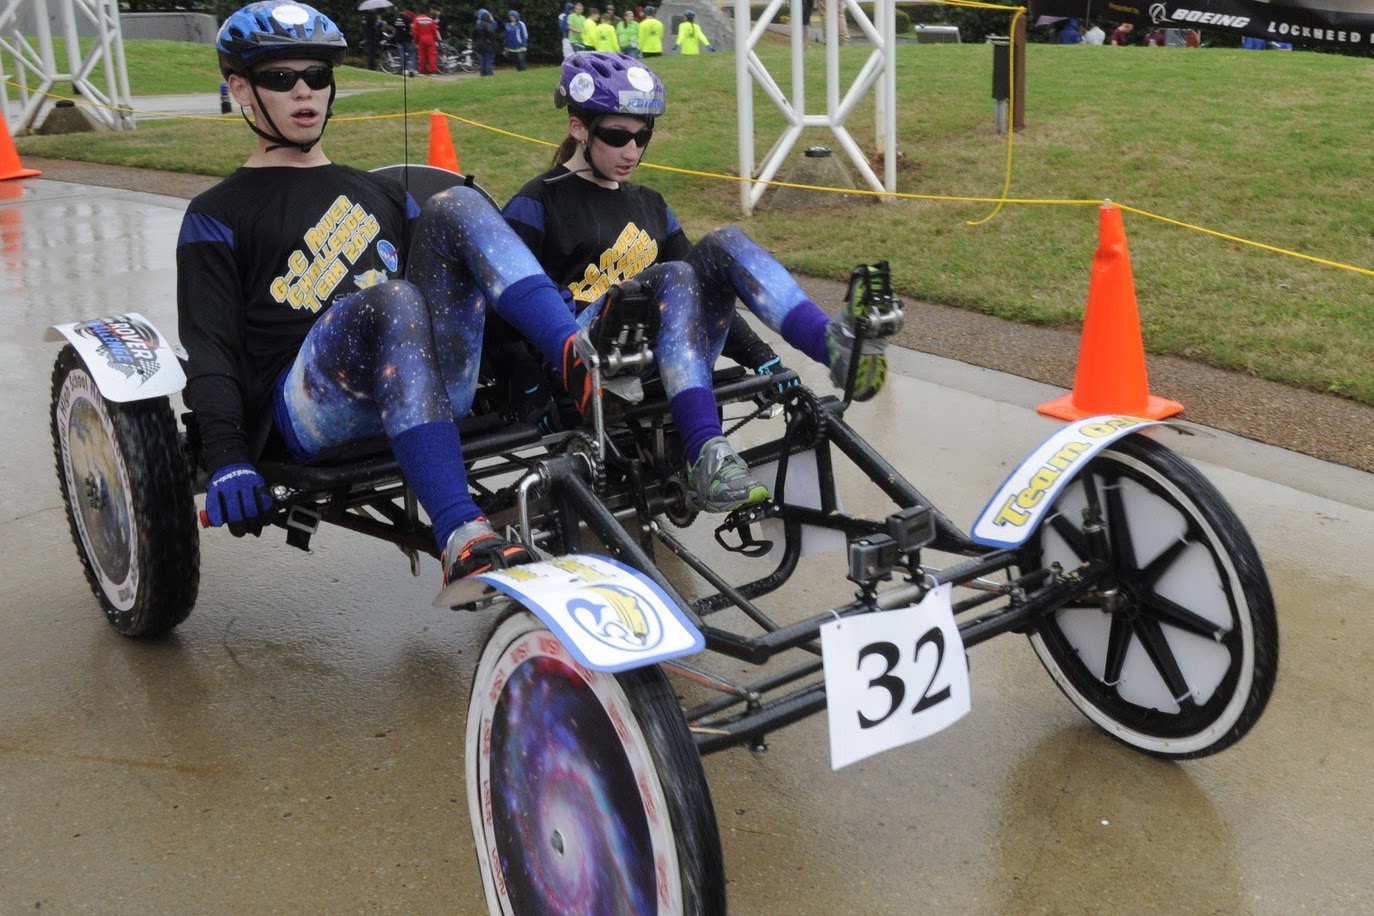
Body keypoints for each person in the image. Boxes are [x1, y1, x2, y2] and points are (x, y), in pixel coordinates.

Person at [180, 1, 600, 585]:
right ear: (241, 88)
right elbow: (210, 347)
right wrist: (226, 457)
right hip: (312, 407)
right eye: (281, 79)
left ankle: (573, 353)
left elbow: (461, 294)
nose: (305, 92)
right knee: (394, 299)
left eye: (318, 77)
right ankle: (460, 532)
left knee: (459, 203)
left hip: (424, 386)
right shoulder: (215, 214)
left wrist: (527, 380)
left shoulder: (379, 193)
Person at [502, 54, 888, 510]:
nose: (632, 151)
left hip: (666, 352)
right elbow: (505, 309)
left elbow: (708, 288)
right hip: (589, 364)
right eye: (617, 136)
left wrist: (764, 360)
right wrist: (530, 389)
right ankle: (704, 451)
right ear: (578, 127)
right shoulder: (537, 202)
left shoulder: (649, 202)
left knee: (724, 242)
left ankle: (836, 348)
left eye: (643, 136)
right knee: (675, 275)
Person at [412, 5, 440, 73]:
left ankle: (422, 70)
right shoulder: (430, 20)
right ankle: (433, 71)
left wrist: (416, 41)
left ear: (419, 12)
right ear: (426, 12)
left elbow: (415, 32)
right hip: (430, 39)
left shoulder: (416, 19)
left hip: (421, 40)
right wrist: (435, 40)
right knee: (432, 55)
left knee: (422, 56)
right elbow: (434, 31)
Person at [472, 8, 498, 76]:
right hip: (488, 45)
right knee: (488, 60)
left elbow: (473, 35)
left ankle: (483, 74)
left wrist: (476, 42)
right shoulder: (487, 24)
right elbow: (491, 34)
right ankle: (488, 74)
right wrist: (493, 41)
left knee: (482, 60)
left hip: (479, 45)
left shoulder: (477, 25)